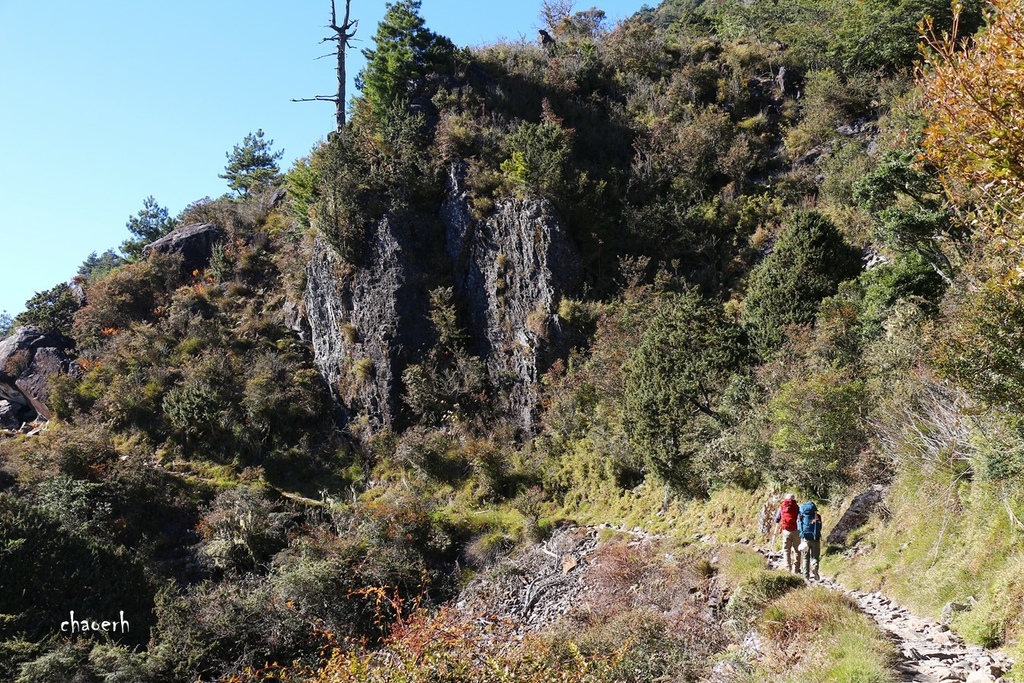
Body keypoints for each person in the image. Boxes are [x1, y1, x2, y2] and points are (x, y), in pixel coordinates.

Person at [774, 493, 801, 573]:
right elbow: (801, 517)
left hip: (786, 530)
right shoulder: (796, 507)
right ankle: (796, 569)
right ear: (793, 498)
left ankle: (788, 568)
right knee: (797, 550)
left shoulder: (782, 506)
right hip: (796, 530)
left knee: (786, 550)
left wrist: (776, 530)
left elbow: (777, 518)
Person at [798, 500, 823, 580]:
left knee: (805, 558)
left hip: (805, 539)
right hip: (815, 538)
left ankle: (806, 577)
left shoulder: (801, 516)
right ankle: (815, 566)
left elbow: (798, 527)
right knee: (815, 556)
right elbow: (820, 527)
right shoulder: (817, 516)